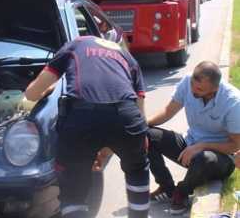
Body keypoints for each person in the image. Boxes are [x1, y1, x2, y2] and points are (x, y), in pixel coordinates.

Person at [25, 36, 149, 218]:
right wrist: (114, 144)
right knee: (137, 170)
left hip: (82, 117)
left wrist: (39, 92)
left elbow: (32, 93)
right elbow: (139, 110)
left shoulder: (76, 45)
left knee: (73, 189)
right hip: (127, 117)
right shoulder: (128, 58)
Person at [147, 61, 240, 215]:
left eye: (199, 89)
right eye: (192, 84)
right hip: (190, 147)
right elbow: (168, 111)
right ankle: (166, 187)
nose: (192, 90)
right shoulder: (188, 83)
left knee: (204, 158)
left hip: (219, 159)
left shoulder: (233, 103)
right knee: (146, 136)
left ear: (215, 88)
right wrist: (143, 124)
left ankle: (182, 191)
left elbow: (235, 145)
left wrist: (202, 146)